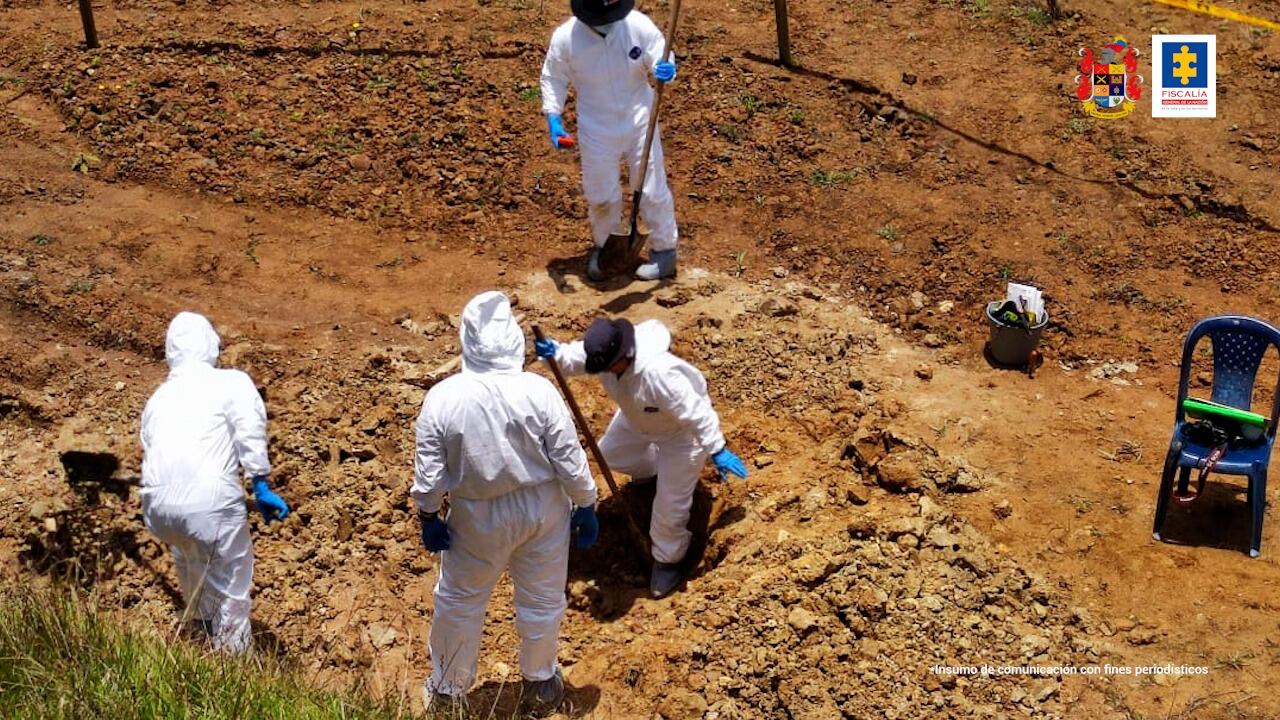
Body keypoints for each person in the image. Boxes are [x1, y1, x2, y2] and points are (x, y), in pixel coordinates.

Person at [413, 291, 600, 716]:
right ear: (514, 342)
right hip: (543, 510)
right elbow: (568, 457)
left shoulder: (444, 398)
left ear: (468, 343)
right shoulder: (540, 390)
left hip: (477, 516)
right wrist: (585, 503)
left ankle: (447, 692)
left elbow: (429, 475)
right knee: (542, 598)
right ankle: (541, 684)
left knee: (460, 601)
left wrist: (428, 514)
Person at [535, 317, 748, 599]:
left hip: (681, 436)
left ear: (624, 356)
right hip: (637, 417)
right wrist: (555, 354)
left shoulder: (661, 375)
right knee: (611, 453)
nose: (601, 372)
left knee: (670, 505)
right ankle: (649, 473)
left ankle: (668, 559)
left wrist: (717, 449)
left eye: (607, 367)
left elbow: (697, 412)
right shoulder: (604, 354)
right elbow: (572, 359)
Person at [139, 311, 289, 654]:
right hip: (210, 504)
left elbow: (150, 446)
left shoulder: (158, 398)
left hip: (158, 510)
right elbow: (249, 429)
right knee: (231, 576)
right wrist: (260, 483)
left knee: (189, 553)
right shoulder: (230, 382)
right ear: (211, 345)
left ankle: (202, 628)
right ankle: (232, 663)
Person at [540, 0, 681, 281]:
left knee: (652, 190)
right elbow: (553, 77)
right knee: (601, 194)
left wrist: (665, 67)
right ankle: (606, 248)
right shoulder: (566, 38)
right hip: (596, 127)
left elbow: (659, 54)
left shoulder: (637, 26)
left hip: (641, 120)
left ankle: (665, 251)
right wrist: (554, 118)